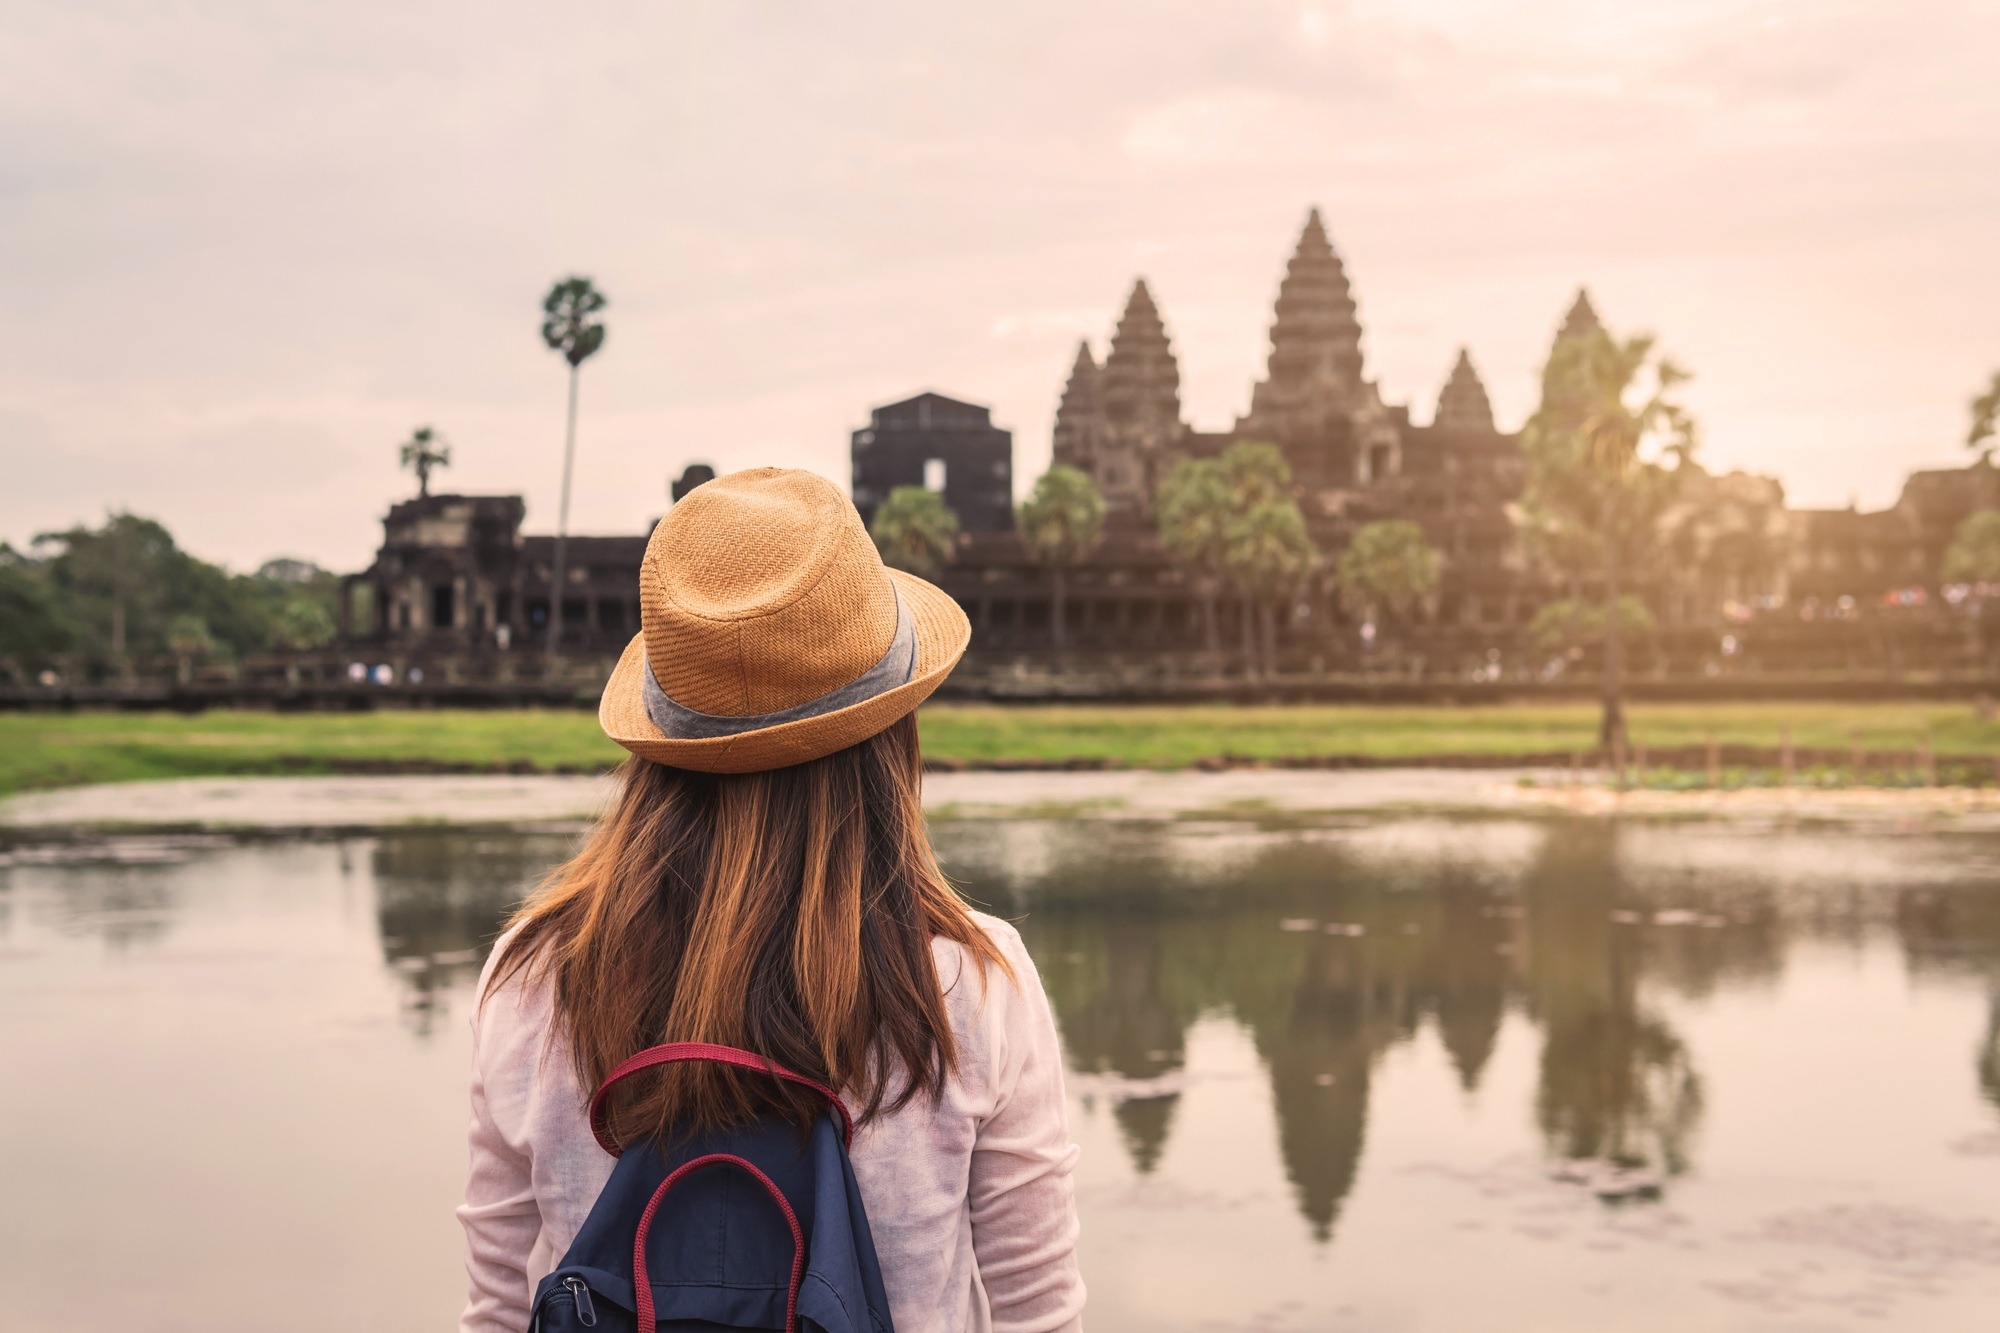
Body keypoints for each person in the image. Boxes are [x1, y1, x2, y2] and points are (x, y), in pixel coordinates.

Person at [457, 468, 1085, 1332]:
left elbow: (497, 1311)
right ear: (891, 731)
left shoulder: (533, 976)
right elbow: (1037, 1316)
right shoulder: (970, 983)